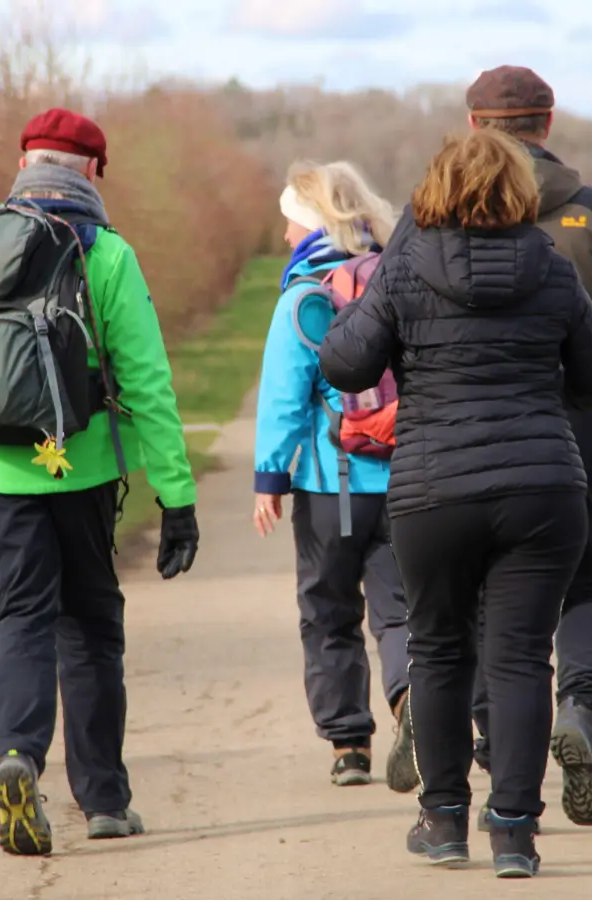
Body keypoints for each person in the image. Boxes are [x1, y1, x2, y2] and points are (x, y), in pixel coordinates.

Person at [318, 128, 592, 878]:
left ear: (436, 190)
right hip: (542, 487)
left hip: (434, 487)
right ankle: (515, 835)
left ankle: (445, 821)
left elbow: (344, 361)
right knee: (522, 657)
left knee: (440, 649)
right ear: (517, 191)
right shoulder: (551, 269)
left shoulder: (407, 267)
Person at [0, 107, 201, 856]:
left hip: (0, 472)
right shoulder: (105, 252)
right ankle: (105, 799)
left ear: (24, 162)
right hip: (81, 473)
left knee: (19, 615)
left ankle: (12, 757)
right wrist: (175, 498)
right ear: (93, 173)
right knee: (88, 625)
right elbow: (148, 382)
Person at [461, 65, 592, 831]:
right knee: (584, 587)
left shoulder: (444, 212)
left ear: (475, 126)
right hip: (577, 442)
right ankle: (577, 706)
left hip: (472, 442)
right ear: (547, 124)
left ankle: (493, 755)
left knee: (487, 604)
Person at [252, 161, 419, 792]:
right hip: (405, 480)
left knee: (327, 613)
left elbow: (284, 397)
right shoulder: (400, 281)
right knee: (401, 611)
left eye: (291, 225)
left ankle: (349, 745)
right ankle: (410, 704)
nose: (288, 239)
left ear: (311, 224)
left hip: (329, 487)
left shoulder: (304, 297)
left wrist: (270, 478)